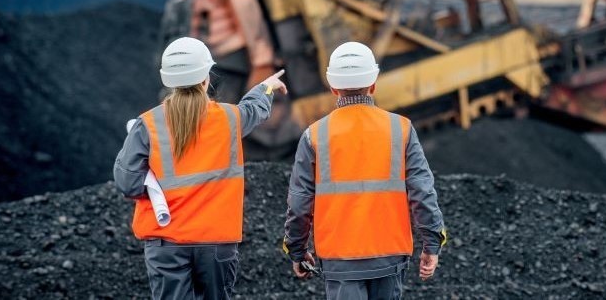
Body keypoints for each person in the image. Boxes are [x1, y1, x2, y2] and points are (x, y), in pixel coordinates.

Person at [113, 37, 287, 300]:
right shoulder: (230, 119)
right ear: (206, 78)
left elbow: (128, 182)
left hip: (166, 243)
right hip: (216, 242)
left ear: (167, 80)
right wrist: (267, 86)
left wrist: (156, 189)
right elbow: (254, 109)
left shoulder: (147, 125)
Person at [283, 41, 446, 299]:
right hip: (389, 256)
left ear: (333, 87)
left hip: (339, 259)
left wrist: (297, 250)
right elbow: (422, 191)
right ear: (373, 83)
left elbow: (300, 202)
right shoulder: (400, 129)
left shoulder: (315, 135)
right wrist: (432, 243)